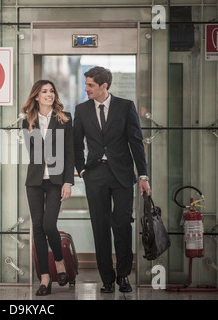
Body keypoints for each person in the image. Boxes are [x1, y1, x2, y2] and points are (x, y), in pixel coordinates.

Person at [73, 66, 151, 293]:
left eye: (90, 85)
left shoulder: (125, 107)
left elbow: (136, 142)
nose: (86, 89)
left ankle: (123, 276)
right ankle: (107, 279)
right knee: (100, 227)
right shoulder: (82, 110)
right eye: (86, 84)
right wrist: (82, 171)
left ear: (103, 86)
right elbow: (77, 144)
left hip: (123, 175)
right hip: (95, 175)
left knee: (122, 224)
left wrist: (143, 175)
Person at [21, 80, 74, 296]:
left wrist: (68, 182)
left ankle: (59, 263)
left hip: (55, 180)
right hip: (34, 181)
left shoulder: (64, 118)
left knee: (49, 225)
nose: (49, 94)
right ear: (36, 96)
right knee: (38, 228)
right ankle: (44, 278)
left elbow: (69, 152)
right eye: (44, 91)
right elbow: (32, 153)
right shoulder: (28, 121)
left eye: (52, 91)